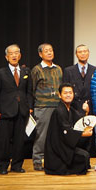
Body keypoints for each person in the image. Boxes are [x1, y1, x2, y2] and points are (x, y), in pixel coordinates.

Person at [0, 44, 31, 174]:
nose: (14, 55)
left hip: (22, 110)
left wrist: (29, 107)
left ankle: (17, 165)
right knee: (4, 141)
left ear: (20, 55)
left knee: (19, 141)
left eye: (16, 53)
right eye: (11, 53)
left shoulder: (26, 72)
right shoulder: (0, 73)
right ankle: (2, 166)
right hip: (6, 111)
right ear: (6, 57)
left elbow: (29, 91)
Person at [44, 83, 93, 175]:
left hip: (64, 145)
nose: (68, 95)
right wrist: (83, 134)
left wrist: (86, 112)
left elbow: (80, 119)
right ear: (59, 95)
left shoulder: (70, 109)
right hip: (58, 149)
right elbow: (66, 131)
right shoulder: (59, 111)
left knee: (85, 156)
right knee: (83, 157)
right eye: (65, 93)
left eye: (70, 93)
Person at [30, 43, 63, 171]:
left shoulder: (58, 68)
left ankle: (53, 160)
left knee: (56, 135)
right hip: (43, 106)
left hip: (57, 105)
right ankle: (38, 160)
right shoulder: (36, 70)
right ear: (40, 54)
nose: (49, 53)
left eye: (51, 50)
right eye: (46, 51)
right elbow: (32, 89)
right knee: (42, 135)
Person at [62, 44, 96, 114]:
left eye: (85, 51)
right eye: (80, 52)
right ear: (76, 54)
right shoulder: (68, 71)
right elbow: (65, 90)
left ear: (88, 53)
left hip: (91, 108)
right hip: (73, 108)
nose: (83, 54)